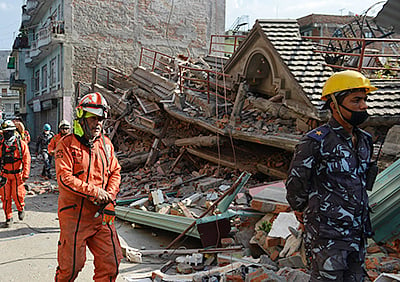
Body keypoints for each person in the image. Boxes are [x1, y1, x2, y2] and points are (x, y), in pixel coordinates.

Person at [285, 70, 377, 281]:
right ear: (334, 105)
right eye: (356, 100)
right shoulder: (315, 142)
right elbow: (296, 185)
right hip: (327, 236)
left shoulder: (364, 140)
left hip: (357, 232)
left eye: (365, 99)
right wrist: (304, 213)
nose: (363, 106)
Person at [54, 92, 122, 281]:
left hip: (102, 215)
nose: (98, 123)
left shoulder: (106, 145)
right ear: (82, 118)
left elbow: (115, 172)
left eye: (101, 119)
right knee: (71, 267)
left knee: (112, 263)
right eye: (93, 118)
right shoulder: (66, 145)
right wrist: (95, 192)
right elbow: (65, 178)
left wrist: (109, 196)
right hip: (74, 216)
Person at [0, 120, 31, 227]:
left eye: (8, 131)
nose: (6, 133)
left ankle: (20, 208)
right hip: (4, 176)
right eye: (5, 131)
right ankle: (9, 217)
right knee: (5, 197)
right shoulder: (1, 146)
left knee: (18, 195)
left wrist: (25, 174)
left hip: (18, 175)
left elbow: (27, 159)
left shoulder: (21, 144)